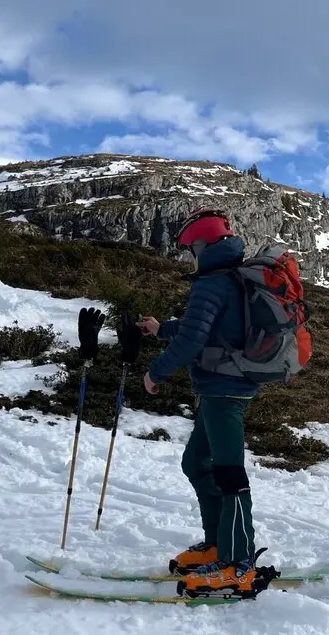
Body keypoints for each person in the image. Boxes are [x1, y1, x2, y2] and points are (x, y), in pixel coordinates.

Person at [137, 207, 264, 596]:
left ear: (202, 244)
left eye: (190, 247)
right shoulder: (228, 278)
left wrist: (155, 373)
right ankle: (217, 544)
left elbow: (193, 341)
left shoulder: (212, 283)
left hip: (225, 390)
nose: (189, 254)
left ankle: (239, 563)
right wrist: (163, 330)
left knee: (229, 476)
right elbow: (203, 328)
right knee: (196, 462)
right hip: (222, 387)